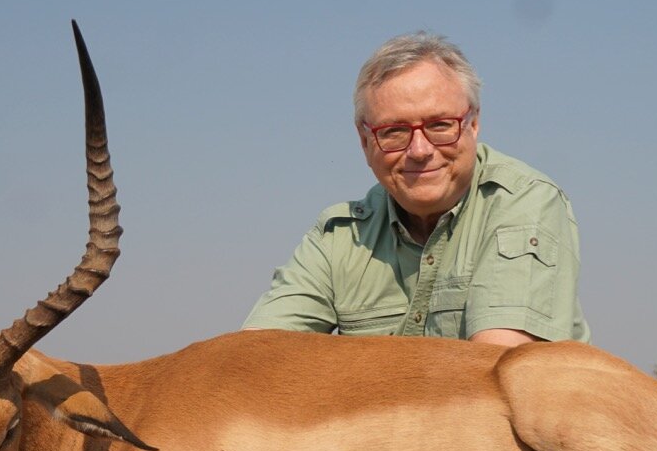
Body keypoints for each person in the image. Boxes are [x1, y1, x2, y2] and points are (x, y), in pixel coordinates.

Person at [243, 32, 589, 346]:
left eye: (440, 125)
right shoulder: (338, 236)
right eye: (394, 131)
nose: (420, 151)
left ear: (474, 124)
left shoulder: (524, 201)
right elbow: (252, 358)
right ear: (365, 141)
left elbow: (496, 367)